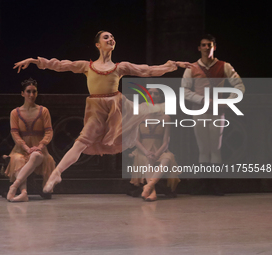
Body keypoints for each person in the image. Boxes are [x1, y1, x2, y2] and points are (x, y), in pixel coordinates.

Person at [13, 31, 191, 194]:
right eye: (106, 37)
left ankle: (147, 181)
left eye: (112, 37)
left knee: (146, 113)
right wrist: (36, 61)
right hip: (96, 109)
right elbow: (61, 65)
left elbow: (148, 70)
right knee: (81, 143)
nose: (110, 39)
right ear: (97, 44)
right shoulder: (87, 66)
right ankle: (57, 173)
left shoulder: (120, 67)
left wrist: (173, 65)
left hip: (116, 106)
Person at [181, 34, 245, 195]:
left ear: (214, 47)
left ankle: (215, 185)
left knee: (215, 149)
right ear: (199, 48)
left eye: (209, 45)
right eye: (203, 45)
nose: (206, 48)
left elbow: (239, 86)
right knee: (203, 148)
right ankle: (204, 184)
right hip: (199, 111)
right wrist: (202, 100)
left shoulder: (224, 66)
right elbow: (185, 91)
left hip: (218, 112)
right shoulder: (192, 68)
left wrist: (228, 101)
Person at [5, 78, 55, 202]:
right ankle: (23, 192)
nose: (31, 95)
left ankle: (14, 186)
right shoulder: (15, 113)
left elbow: (49, 131)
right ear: (22, 93)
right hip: (21, 149)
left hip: (39, 148)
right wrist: (26, 148)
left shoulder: (43, 111)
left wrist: (40, 146)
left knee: (39, 156)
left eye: (34, 92)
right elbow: (15, 133)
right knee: (18, 159)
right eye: (28, 91)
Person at [128, 88, 180, 201]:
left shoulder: (166, 118)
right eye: (150, 93)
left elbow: (166, 141)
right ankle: (152, 192)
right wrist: (147, 152)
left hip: (160, 150)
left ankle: (149, 186)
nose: (152, 95)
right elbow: (135, 140)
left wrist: (157, 153)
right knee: (147, 161)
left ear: (160, 97)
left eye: (156, 93)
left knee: (167, 159)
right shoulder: (139, 117)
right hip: (143, 150)